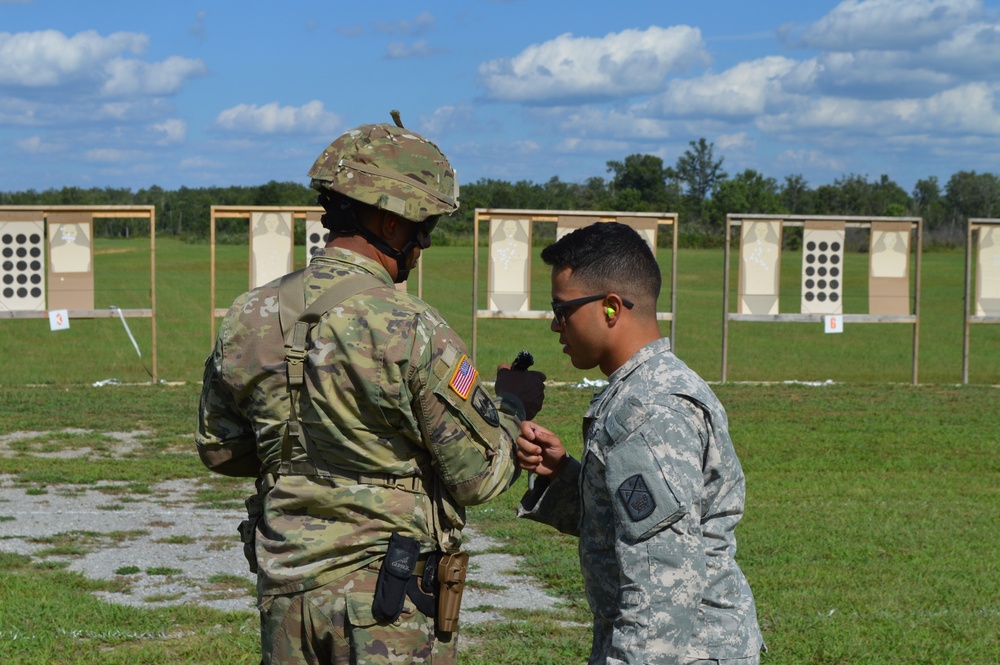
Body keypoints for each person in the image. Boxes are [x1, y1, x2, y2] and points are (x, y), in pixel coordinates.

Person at [196, 114, 545, 665]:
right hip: (387, 603)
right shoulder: (411, 326)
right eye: (424, 224)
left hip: (287, 595)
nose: (425, 240)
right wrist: (512, 404)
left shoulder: (249, 314)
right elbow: (477, 477)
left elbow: (220, 448)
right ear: (389, 224)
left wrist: (306, 456)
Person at [515, 222, 765, 665]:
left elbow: (663, 580)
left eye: (562, 309)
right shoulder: (642, 390)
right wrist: (563, 475)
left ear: (611, 308)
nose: (556, 325)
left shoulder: (648, 411)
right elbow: (632, 523)